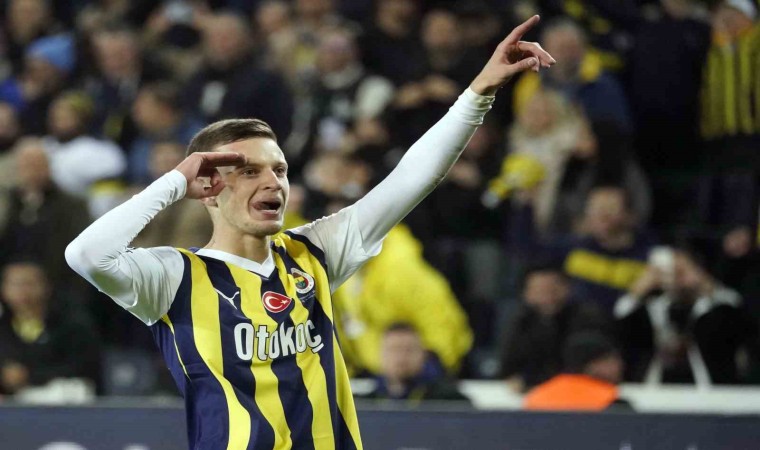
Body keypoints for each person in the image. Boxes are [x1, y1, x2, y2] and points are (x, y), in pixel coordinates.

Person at [65, 16, 555, 449]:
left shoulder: (315, 252)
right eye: (250, 171)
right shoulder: (173, 278)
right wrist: (175, 182)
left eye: (278, 169)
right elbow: (85, 255)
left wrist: (479, 92)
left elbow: (412, 178)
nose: (273, 182)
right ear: (209, 187)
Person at [615, 250, 757, 384]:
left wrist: (707, 284)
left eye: (681, 272)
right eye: (671, 273)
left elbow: (737, 311)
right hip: (657, 388)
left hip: (713, 388)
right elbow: (620, 319)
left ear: (700, 271)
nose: (675, 278)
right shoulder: (655, 308)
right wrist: (638, 290)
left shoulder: (715, 308)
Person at [500, 263, 611, 391]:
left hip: (582, 390)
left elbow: (599, 363)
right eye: (539, 290)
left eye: (553, 289)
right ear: (526, 293)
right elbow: (508, 368)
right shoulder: (519, 322)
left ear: (567, 288)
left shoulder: (589, 318)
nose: (547, 297)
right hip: (531, 391)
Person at [0, 261, 101, 396]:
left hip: (59, 395)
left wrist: (29, 375)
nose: (22, 291)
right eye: (15, 284)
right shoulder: (3, 326)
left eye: (29, 284)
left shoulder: (71, 324)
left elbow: (83, 366)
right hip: (12, 399)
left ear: (46, 286)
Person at [361, 323, 470, 403]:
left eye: (409, 350)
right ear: (380, 355)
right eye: (394, 349)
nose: (402, 357)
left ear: (423, 355)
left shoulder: (450, 401)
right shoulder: (362, 405)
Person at [523, 331, 632, 411]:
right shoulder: (611, 402)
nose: (620, 365)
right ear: (592, 365)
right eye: (611, 360)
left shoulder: (536, 397)